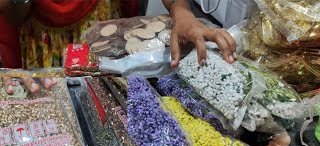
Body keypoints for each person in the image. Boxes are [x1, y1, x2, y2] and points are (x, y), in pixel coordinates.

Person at [0, 0, 236, 93]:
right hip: (44, 42)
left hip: (106, 35)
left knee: (114, 104)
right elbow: (14, 13)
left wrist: (182, 12)